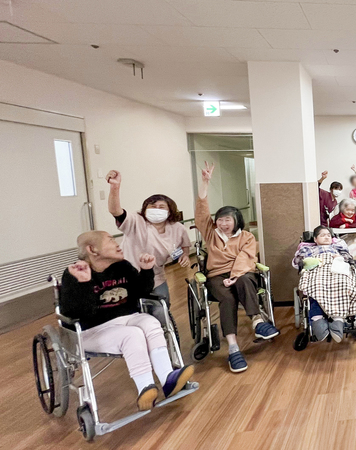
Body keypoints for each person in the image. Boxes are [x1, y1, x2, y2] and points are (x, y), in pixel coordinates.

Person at [60, 231, 194, 411]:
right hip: (92, 330)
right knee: (132, 334)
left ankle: (167, 378)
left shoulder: (122, 266)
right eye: (110, 240)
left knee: (150, 322)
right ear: (92, 250)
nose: (117, 243)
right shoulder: (75, 273)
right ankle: (145, 388)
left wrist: (146, 270)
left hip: (128, 318)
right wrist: (84, 284)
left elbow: (141, 293)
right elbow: (74, 314)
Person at [197, 162, 279, 373]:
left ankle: (257, 321)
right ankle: (233, 348)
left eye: (228, 220)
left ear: (236, 221)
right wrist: (205, 183)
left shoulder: (247, 237)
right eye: (220, 220)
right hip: (216, 275)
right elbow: (201, 213)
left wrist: (234, 276)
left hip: (242, 273)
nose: (223, 224)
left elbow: (246, 257)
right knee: (228, 298)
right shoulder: (210, 234)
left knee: (243, 280)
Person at [105, 170, 190, 306]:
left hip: (156, 276)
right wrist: (115, 187)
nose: (156, 209)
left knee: (161, 308)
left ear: (169, 211)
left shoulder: (178, 228)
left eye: (161, 207)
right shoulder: (136, 221)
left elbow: (184, 246)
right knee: (133, 309)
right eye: (152, 206)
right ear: (145, 209)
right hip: (130, 275)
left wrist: (184, 255)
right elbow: (115, 211)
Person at [296, 226, 356, 343]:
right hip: (318, 271)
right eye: (322, 235)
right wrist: (311, 261)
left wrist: (340, 258)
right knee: (317, 286)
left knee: (343, 285)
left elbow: (349, 260)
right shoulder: (308, 250)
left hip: (337, 270)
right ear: (315, 239)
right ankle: (318, 319)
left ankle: (338, 318)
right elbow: (299, 262)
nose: (326, 237)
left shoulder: (338, 248)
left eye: (328, 235)